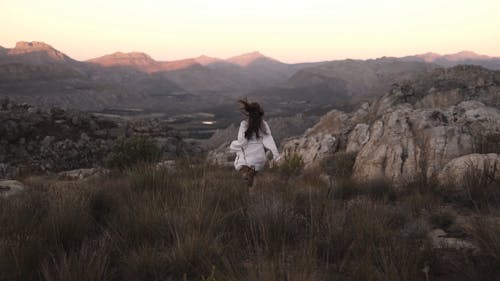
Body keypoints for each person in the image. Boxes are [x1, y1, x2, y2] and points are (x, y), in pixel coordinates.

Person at [229, 99, 280, 186]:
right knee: (252, 180)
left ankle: (247, 172)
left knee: (238, 154)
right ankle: (251, 175)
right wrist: (276, 155)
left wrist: (233, 145)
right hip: (261, 160)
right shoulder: (264, 124)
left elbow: (242, 142)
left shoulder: (244, 124)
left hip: (250, 160)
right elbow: (269, 140)